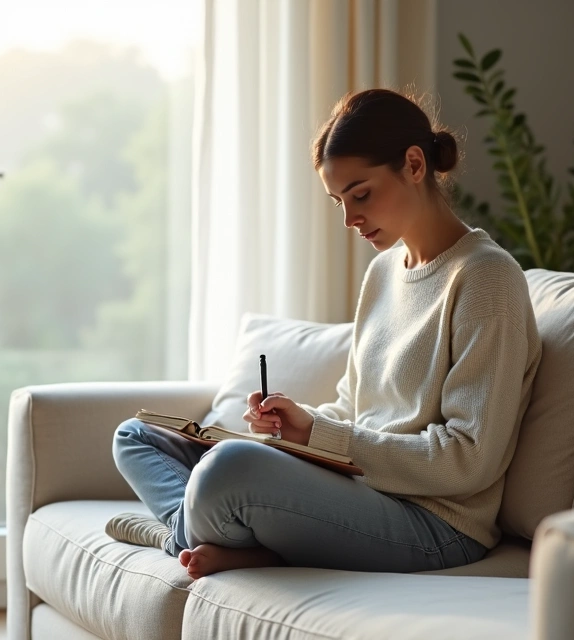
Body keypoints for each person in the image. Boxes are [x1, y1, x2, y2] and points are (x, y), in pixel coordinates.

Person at [107, 88, 542, 580]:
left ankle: (178, 536)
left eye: (361, 194)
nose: (349, 218)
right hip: (362, 493)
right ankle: (222, 536)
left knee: (227, 471)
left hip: (435, 523)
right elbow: (353, 410)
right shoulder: (383, 274)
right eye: (339, 200)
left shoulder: (487, 278)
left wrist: (318, 435)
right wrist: (295, 426)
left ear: (415, 165)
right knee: (138, 436)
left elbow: (468, 460)